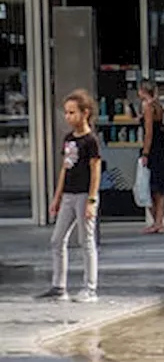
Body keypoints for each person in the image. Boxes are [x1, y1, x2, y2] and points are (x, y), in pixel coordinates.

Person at [37, 89, 101, 303]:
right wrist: (57, 197)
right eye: (66, 112)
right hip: (68, 195)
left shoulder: (91, 141)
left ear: (85, 113)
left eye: (72, 112)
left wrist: (91, 200)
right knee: (57, 239)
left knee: (86, 240)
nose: (68, 117)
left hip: (84, 195)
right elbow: (65, 168)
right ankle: (59, 286)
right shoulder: (68, 139)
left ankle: (90, 288)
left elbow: (95, 171)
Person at [137, 81, 164, 234]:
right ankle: (158, 222)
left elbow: (148, 133)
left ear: (142, 91)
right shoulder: (158, 106)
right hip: (161, 149)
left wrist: (145, 153)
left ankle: (156, 222)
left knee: (148, 185)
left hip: (152, 150)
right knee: (159, 188)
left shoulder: (147, 106)